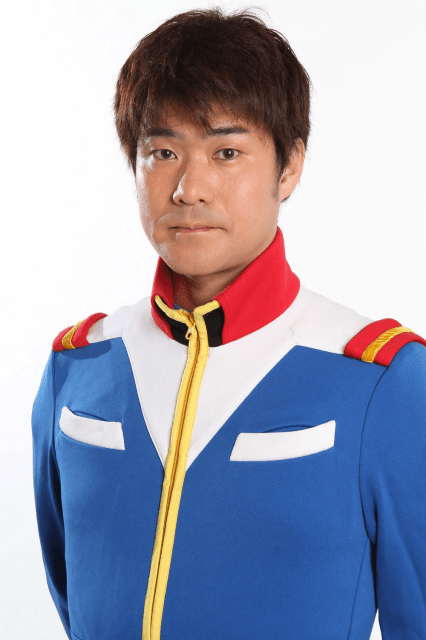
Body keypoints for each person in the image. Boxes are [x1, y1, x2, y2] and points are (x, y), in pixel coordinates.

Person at [31, 7, 426, 640]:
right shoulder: (77, 368)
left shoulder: (382, 380)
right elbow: (72, 597)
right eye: (163, 152)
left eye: (227, 152)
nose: (189, 188)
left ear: (289, 167)